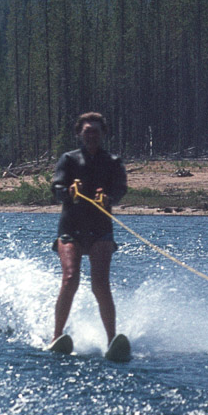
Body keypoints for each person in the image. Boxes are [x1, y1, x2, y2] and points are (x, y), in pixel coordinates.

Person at [49, 112, 128, 350]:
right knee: (70, 278)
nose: (91, 135)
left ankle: (112, 340)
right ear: (79, 134)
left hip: (99, 229)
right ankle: (56, 336)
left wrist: (109, 197)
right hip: (71, 227)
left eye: (95, 131)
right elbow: (56, 188)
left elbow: (120, 189)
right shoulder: (68, 159)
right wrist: (68, 193)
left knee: (100, 284)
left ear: (103, 134)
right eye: (87, 131)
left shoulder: (113, 161)